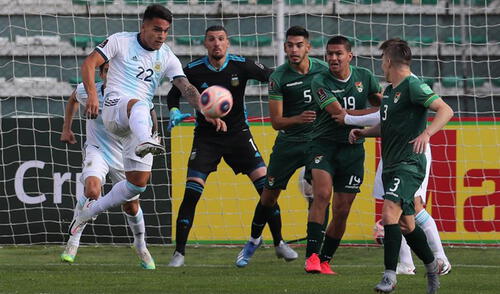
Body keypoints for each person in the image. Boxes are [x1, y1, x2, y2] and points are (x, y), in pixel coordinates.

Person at [69, 4, 201, 259]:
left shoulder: (167, 56)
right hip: (114, 107)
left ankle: (88, 213)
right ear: (143, 26)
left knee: (136, 187)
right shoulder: (121, 41)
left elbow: (185, 86)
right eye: (156, 29)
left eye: (165, 31)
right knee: (139, 103)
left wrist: (204, 107)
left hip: (137, 124)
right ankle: (146, 141)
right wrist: (94, 95)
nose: (161, 36)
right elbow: (89, 64)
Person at [349, 38, 453, 293]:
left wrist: (426, 134)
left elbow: (445, 110)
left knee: (388, 214)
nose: (381, 66)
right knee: (407, 224)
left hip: (409, 164)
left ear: (388, 61)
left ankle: (389, 276)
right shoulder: (390, 92)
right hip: (392, 165)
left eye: (382, 61)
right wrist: (363, 133)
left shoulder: (413, 86)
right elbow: (387, 126)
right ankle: (431, 267)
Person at [166, 25, 275, 267]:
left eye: (221, 39)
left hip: (238, 135)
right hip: (206, 137)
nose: (217, 43)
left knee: (267, 188)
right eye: (212, 39)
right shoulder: (192, 69)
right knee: (192, 193)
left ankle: (279, 243)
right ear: (205, 43)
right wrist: (174, 110)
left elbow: (272, 76)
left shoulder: (241, 65)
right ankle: (179, 252)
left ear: (228, 43)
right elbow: (173, 95)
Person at [234, 26, 328, 268]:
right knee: (268, 196)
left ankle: (315, 255)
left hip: (317, 142)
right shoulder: (279, 77)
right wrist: (299, 118)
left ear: (308, 47)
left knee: (321, 193)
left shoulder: (323, 70)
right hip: (288, 143)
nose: (294, 50)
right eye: (290, 45)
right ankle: (254, 240)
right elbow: (276, 122)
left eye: (299, 45)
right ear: (285, 47)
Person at [333, 102, 452, 276]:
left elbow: (383, 115)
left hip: (412, 154)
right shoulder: (391, 89)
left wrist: (349, 118)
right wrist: (361, 128)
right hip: (391, 155)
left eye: (386, 71)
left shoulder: (410, 85)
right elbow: (385, 118)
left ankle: (441, 259)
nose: (384, 72)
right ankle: (406, 263)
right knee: (393, 209)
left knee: (415, 205)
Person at [60, 63, 156, 269]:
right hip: (98, 150)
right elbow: (72, 99)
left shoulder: (132, 95)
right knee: (92, 189)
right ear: (101, 74)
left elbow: (149, 111)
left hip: (124, 155)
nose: (111, 76)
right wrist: (67, 128)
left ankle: (140, 245)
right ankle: (73, 242)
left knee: (131, 205)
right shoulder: (88, 91)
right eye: (107, 72)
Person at [305, 35, 382, 274]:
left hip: (353, 149)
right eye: (330, 54)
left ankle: (326, 259)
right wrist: (377, 111)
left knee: (343, 209)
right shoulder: (319, 80)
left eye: (339, 54)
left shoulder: (365, 77)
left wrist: (382, 109)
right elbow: (339, 115)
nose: (333, 58)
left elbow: (384, 105)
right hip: (323, 145)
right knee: (322, 194)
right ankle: (311, 257)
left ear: (350, 56)